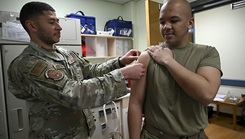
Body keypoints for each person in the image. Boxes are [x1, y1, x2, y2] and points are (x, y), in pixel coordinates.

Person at [7, 1, 146, 139]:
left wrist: (119, 62)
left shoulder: (66, 54)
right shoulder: (28, 64)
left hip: (80, 133)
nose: (59, 27)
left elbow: (90, 71)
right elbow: (74, 94)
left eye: (58, 21)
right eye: (51, 22)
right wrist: (122, 75)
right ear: (32, 26)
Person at [128, 0, 222, 139]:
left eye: (174, 20)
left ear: (190, 23)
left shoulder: (207, 53)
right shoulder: (147, 56)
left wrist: (168, 61)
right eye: (162, 22)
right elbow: (135, 103)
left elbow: (206, 94)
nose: (166, 27)